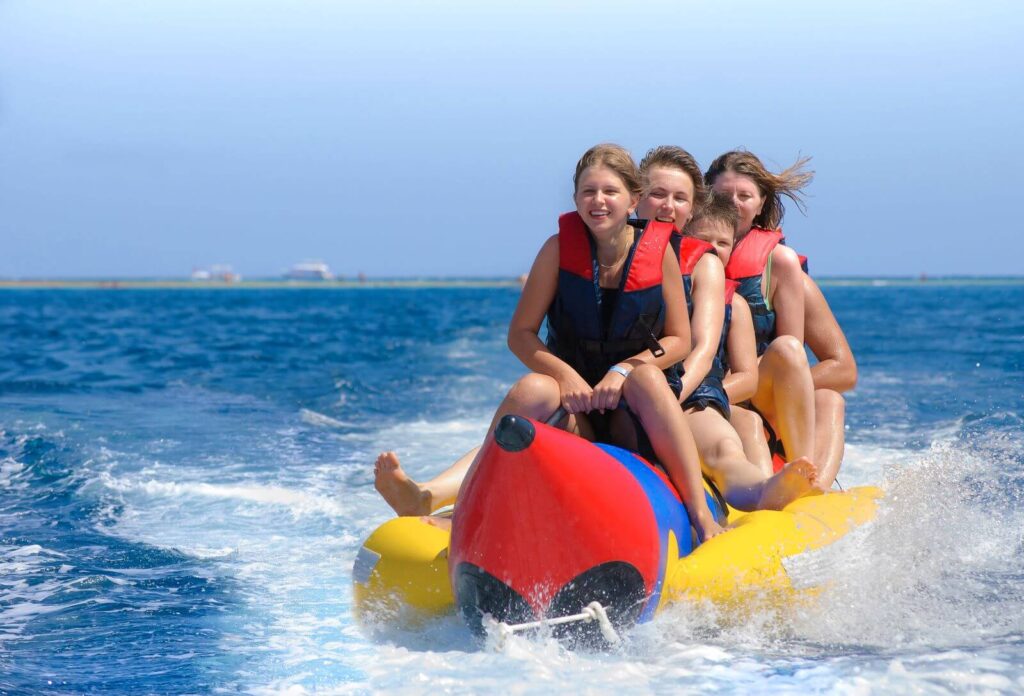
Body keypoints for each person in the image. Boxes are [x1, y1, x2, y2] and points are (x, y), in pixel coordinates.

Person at [376, 144, 725, 540]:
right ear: (575, 199)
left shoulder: (659, 252)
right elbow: (520, 335)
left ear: (633, 199)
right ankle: (450, 504)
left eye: (610, 191)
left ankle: (700, 514)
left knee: (646, 378)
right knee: (532, 388)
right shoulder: (558, 250)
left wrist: (623, 369)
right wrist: (567, 377)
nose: (598, 201)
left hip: (634, 412)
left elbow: (679, 340)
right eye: (587, 192)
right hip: (578, 415)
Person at [635, 148, 817, 509]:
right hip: (621, 390)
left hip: (693, 393)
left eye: (722, 244)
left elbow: (718, 357)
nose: (713, 251)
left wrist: (678, 396)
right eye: (658, 194)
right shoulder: (614, 256)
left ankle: (780, 489)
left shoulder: (746, 284)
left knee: (734, 437)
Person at [705, 150, 817, 466]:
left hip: (757, 390)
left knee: (788, 349)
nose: (734, 203)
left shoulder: (779, 262)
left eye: (744, 195)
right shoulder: (686, 247)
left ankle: (800, 466)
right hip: (707, 383)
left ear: (761, 202)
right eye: (724, 194)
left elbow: (791, 352)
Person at [732, 274, 857, 489]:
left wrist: (785, 385)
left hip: (767, 399)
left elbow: (844, 370)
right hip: (735, 400)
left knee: (829, 399)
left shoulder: (789, 278)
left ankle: (814, 487)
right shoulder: (699, 271)